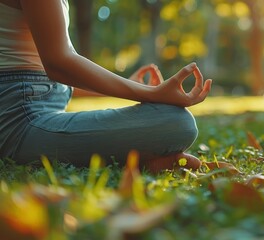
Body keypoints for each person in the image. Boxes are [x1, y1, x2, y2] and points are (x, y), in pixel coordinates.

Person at [0, 0, 212, 173]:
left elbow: (51, 78)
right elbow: (58, 63)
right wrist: (152, 93)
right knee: (176, 122)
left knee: (176, 121)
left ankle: (138, 161)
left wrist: (128, 85)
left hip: (27, 114)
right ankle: (137, 161)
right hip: (17, 123)